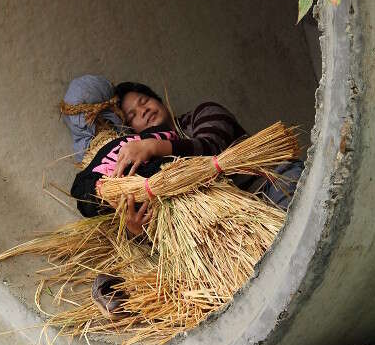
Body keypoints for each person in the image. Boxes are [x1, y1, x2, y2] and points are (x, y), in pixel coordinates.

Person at [111, 81, 304, 236]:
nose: (143, 111)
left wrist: (153, 146)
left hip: (273, 184)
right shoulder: (148, 170)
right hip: (239, 227)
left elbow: (210, 148)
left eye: (144, 101)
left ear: (160, 100)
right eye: (133, 115)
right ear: (131, 131)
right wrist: (137, 231)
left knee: (293, 236)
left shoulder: (203, 113)